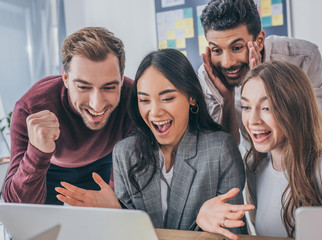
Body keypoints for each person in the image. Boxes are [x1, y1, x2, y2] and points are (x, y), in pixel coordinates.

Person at [55, 49, 253, 238]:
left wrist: (201, 224)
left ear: (192, 97)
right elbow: (128, 233)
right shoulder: (126, 152)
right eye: (144, 100)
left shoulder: (220, 150)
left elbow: (232, 234)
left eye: (167, 98)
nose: (155, 112)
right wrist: (117, 211)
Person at [196, 60, 322, 238]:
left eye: (267, 108)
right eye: (246, 107)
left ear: (294, 109)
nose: (253, 120)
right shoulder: (254, 166)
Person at [3, 27, 133, 205]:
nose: (97, 104)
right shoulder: (30, 108)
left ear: (121, 78)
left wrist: (116, 205)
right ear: (65, 77)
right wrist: (37, 151)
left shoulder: (133, 99)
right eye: (83, 87)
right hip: (49, 167)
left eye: (109, 87)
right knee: (39, 228)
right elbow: (17, 204)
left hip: (105, 162)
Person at [199, 0, 322, 144]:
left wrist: (260, 86)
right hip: (248, 162)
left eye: (237, 48)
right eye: (217, 50)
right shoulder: (209, 76)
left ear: (259, 41)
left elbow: (315, 131)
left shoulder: (303, 58)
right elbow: (224, 154)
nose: (227, 62)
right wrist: (226, 101)